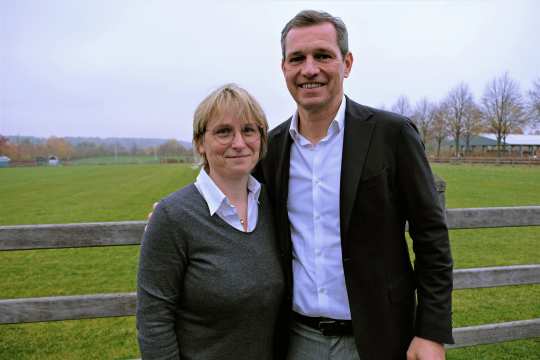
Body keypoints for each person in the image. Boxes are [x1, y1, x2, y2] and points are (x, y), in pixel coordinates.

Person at [254, 10, 454, 360]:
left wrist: (430, 331)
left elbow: (431, 236)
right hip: (296, 340)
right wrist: (174, 212)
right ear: (283, 67)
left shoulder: (392, 135)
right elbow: (230, 199)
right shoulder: (270, 151)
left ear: (346, 63)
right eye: (297, 58)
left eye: (323, 56)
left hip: (381, 338)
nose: (310, 69)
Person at [136, 84, 284, 360]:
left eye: (249, 130)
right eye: (223, 131)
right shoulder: (173, 216)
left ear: (262, 140)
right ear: (200, 143)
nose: (239, 143)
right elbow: (154, 320)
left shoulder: (273, 208)